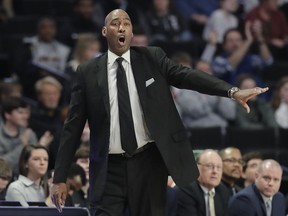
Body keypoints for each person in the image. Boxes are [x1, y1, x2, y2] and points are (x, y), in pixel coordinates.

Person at [50, 9, 269, 216]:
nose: (122, 28)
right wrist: (59, 177)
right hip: (108, 168)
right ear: (105, 31)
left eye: (127, 24)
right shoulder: (87, 71)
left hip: (148, 163)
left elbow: (188, 76)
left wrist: (231, 91)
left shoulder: (151, 58)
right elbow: (72, 127)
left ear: (132, 32)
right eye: (115, 24)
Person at [176, 149, 230, 216]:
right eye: (209, 166)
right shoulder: (186, 188)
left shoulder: (223, 191)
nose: (215, 171)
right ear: (197, 168)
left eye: (219, 167)